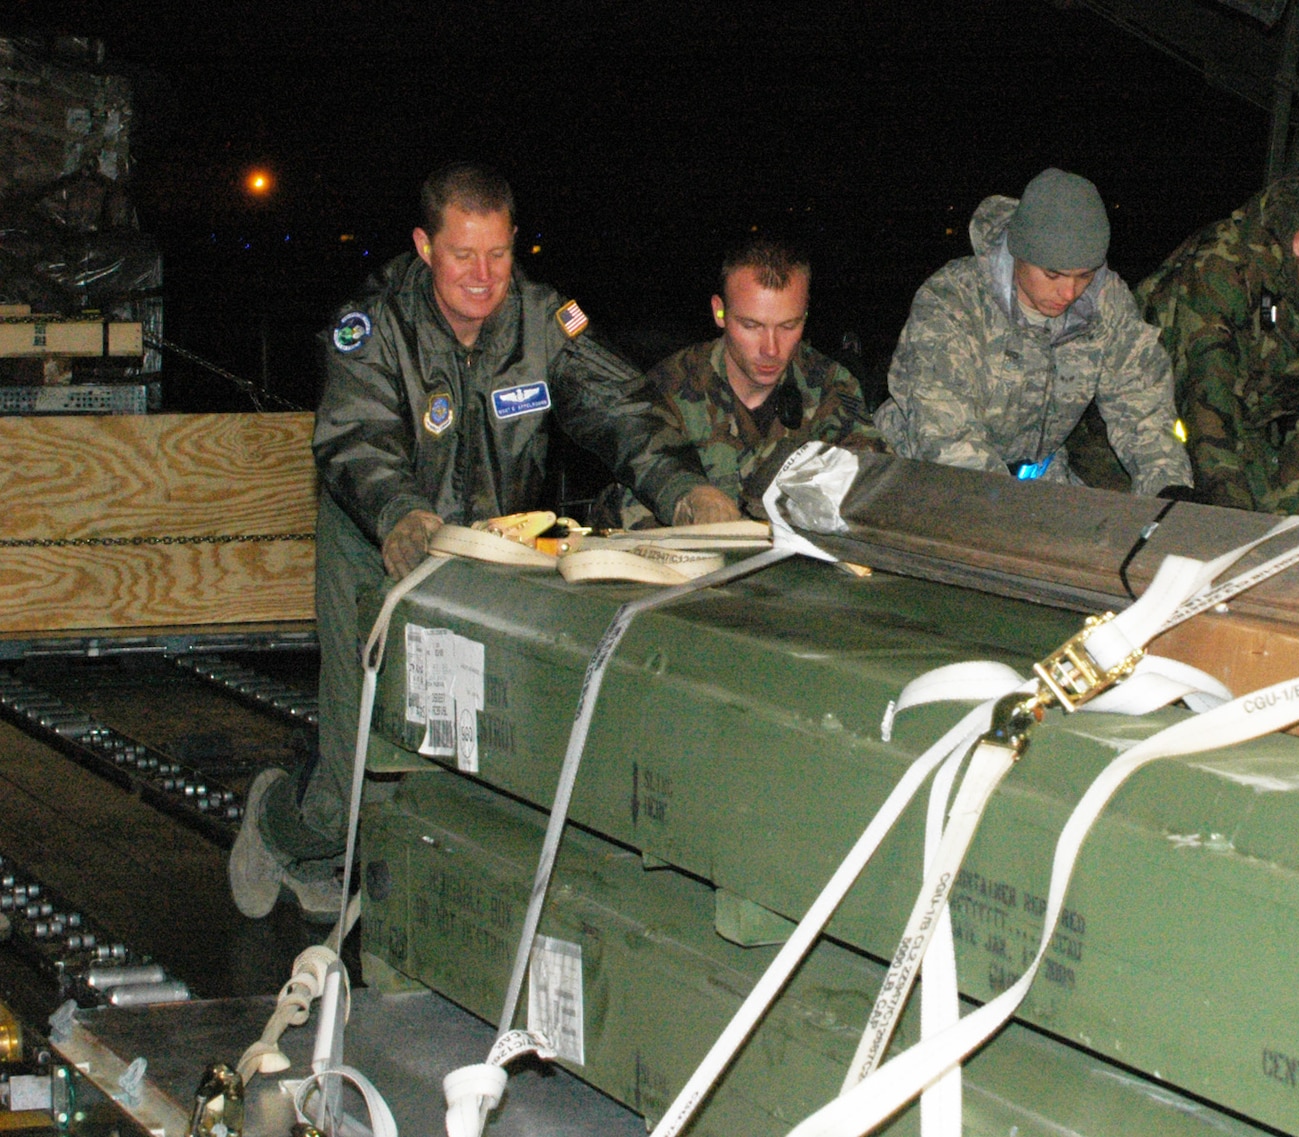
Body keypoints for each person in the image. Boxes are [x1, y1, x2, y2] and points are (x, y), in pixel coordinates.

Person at [229, 163, 690, 920]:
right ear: (423, 246)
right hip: (379, 550)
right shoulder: (373, 326)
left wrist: (683, 491)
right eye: (462, 256)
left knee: (484, 755)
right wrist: (404, 516)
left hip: (492, 560)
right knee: (354, 778)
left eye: (499, 255)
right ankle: (283, 827)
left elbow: (621, 408)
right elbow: (356, 438)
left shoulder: (545, 321)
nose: (483, 277)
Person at [873, 168, 1191, 497]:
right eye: (1052, 274)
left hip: (1038, 479)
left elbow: (1143, 406)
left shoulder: (1105, 301)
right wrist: (1010, 509)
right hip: (926, 477)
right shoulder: (953, 300)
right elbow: (945, 436)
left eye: (1084, 275)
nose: (1069, 293)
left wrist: (1168, 487)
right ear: (1018, 252)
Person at [1135, 175, 1299, 518]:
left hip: (1243, 429)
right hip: (1142, 422)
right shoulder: (1225, 263)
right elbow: (1209, 396)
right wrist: (1233, 519)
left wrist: (1291, 532)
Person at [590, 236, 881, 529]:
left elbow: (875, 484)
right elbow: (624, 508)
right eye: (751, 325)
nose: (771, 348)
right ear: (720, 312)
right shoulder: (668, 388)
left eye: (788, 326)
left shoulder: (829, 384)